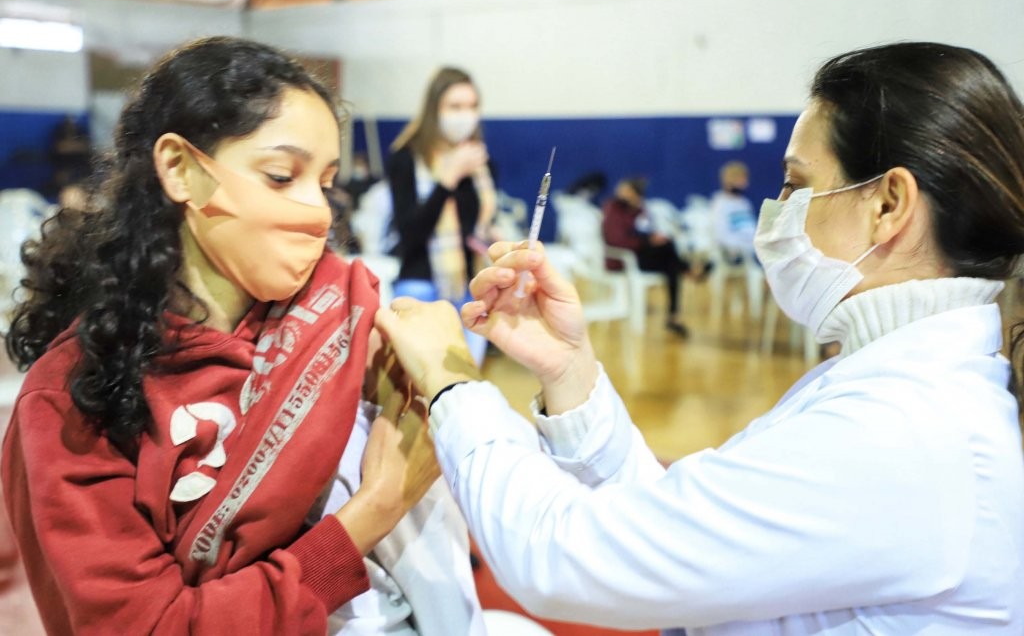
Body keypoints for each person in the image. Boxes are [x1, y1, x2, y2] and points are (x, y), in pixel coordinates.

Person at [376, 42, 1024, 633]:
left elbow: (563, 555)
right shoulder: (889, 380)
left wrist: (454, 383)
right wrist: (571, 371)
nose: (778, 210)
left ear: (887, 205)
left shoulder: (907, 427)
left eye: (796, 186)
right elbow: (672, 520)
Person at [0, 36, 468, 635]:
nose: (318, 213)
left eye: (324, 183)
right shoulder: (71, 402)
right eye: (280, 176)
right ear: (181, 170)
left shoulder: (339, 307)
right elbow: (154, 627)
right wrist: (374, 510)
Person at [386, 66, 497, 305]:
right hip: (420, 286)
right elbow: (410, 234)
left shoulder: (479, 164)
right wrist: (447, 180)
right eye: (455, 107)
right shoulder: (406, 158)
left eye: (472, 106)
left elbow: (472, 228)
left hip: (469, 288)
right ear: (434, 110)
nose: (465, 115)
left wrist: (491, 236)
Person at [602, 176, 691, 336]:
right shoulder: (613, 209)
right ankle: (688, 270)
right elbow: (617, 240)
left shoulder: (640, 210)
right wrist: (646, 240)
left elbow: (645, 230)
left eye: (626, 191)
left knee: (670, 262)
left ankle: (674, 316)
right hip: (623, 259)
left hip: (641, 255)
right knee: (669, 253)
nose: (621, 193)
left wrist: (651, 237)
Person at [708, 160, 757, 264]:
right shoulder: (720, 203)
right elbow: (720, 235)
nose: (745, 183)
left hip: (753, 247)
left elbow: (752, 229)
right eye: (741, 179)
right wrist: (745, 246)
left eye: (745, 179)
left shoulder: (744, 203)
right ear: (729, 180)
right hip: (734, 253)